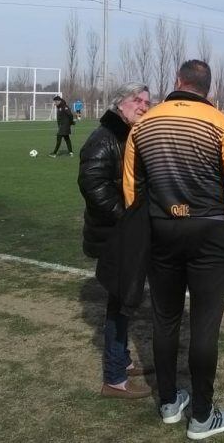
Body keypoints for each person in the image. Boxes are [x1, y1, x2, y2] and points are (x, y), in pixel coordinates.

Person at [123, 59, 224, 440]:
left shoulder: (145, 123)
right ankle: (201, 415)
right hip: (211, 232)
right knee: (205, 324)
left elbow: (130, 187)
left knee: (164, 319)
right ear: (207, 88)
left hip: (161, 231)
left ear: (177, 81)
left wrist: (142, 229)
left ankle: (167, 404)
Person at [78, 82, 153, 399]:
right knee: (119, 304)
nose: (144, 105)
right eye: (137, 100)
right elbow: (92, 185)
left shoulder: (129, 136)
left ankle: (120, 363)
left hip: (127, 232)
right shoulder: (103, 138)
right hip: (114, 234)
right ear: (119, 104)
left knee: (123, 301)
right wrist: (126, 217)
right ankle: (113, 379)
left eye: (148, 101)